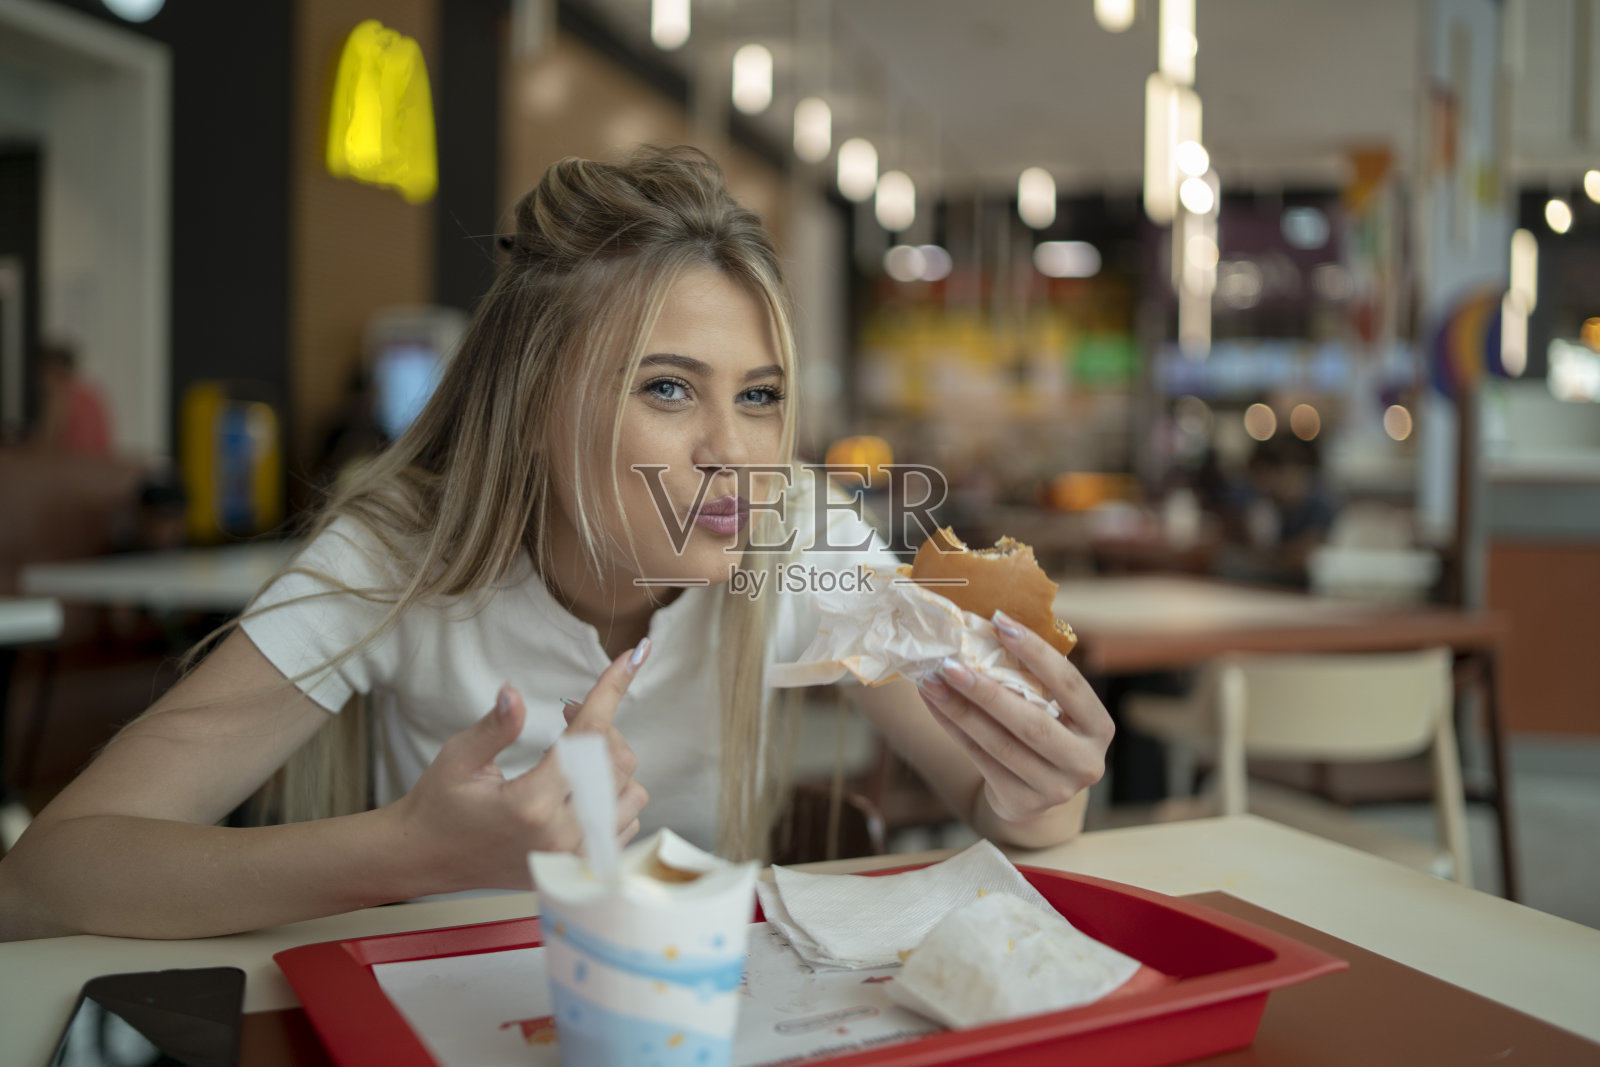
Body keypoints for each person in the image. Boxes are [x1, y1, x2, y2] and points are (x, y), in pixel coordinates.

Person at [0, 147, 1113, 941]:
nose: (735, 452)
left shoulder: (795, 532)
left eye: (761, 395)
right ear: (535, 403)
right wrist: (409, 851)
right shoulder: (395, 556)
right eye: (668, 387)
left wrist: (1037, 786)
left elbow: (1010, 799)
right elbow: (44, 878)